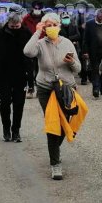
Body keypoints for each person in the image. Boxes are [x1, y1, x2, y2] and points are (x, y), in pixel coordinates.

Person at [23, 13, 83, 180]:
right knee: (53, 125)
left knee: (64, 125)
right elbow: (27, 52)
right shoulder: (40, 44)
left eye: (53, 25)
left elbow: (78, 69)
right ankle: (55, 164)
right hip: (46, 89)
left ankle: (54, 148)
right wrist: (37, 32)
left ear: (59, 26)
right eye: (47, 25)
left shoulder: (67, 43)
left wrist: (70, 61)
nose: (51, 28)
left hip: (66, 89)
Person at [0, 12, 32, 142]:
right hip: (3, 74)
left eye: (17, 26)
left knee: (19, 104)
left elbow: (31, 56)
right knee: (5, 104)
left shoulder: (26, 33)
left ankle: (16, 131)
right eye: (12, 26)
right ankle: (6, 129)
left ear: (20, 23)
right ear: (8, 23)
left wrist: (31, 79)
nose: (14, 28)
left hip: (21, 74)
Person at [22, 1, 45, 98]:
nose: (37, 10)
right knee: (29, 69)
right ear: (32, 8)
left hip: (42, 45)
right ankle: (30, 88)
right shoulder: (26, 18)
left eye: (38, 8)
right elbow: (22, 30)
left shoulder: (45, 19)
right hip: (30, 45)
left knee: (40, 68)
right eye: (35, 8)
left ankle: (40, 88)